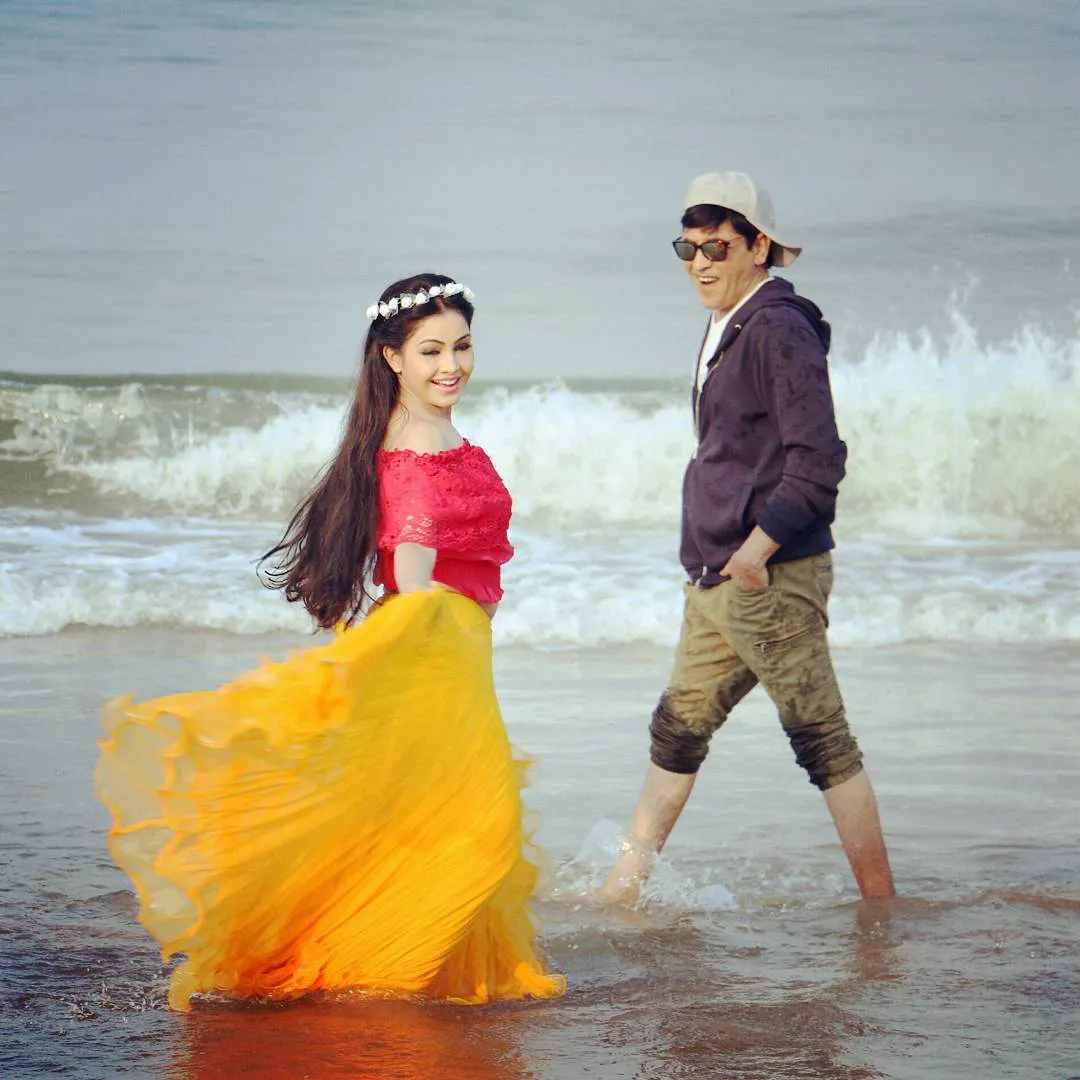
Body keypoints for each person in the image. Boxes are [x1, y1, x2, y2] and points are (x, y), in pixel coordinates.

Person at [95, 273, 566, 1010]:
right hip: (435, 655)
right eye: (431, 351)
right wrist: (436, 633)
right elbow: (411, 576)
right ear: (392, 358)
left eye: (463, 346)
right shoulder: (411, 446)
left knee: (427, 821)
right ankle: (389, 974)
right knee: (473, 823)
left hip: (458, 652)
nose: (452, 365)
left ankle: (408, 967)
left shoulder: (437, 432)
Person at [601, 173, 895, 903]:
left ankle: (882, 907)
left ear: (758, 245)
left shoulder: (777, 329)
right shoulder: (727, 320)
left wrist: (757, 550)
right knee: (676, 729)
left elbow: (819, 460)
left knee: (822, 740)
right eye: (688, 248)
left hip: (769, 576)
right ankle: (621, 891)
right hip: (717, 577)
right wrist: (726, 559)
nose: (700, 263)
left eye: (718, 248)